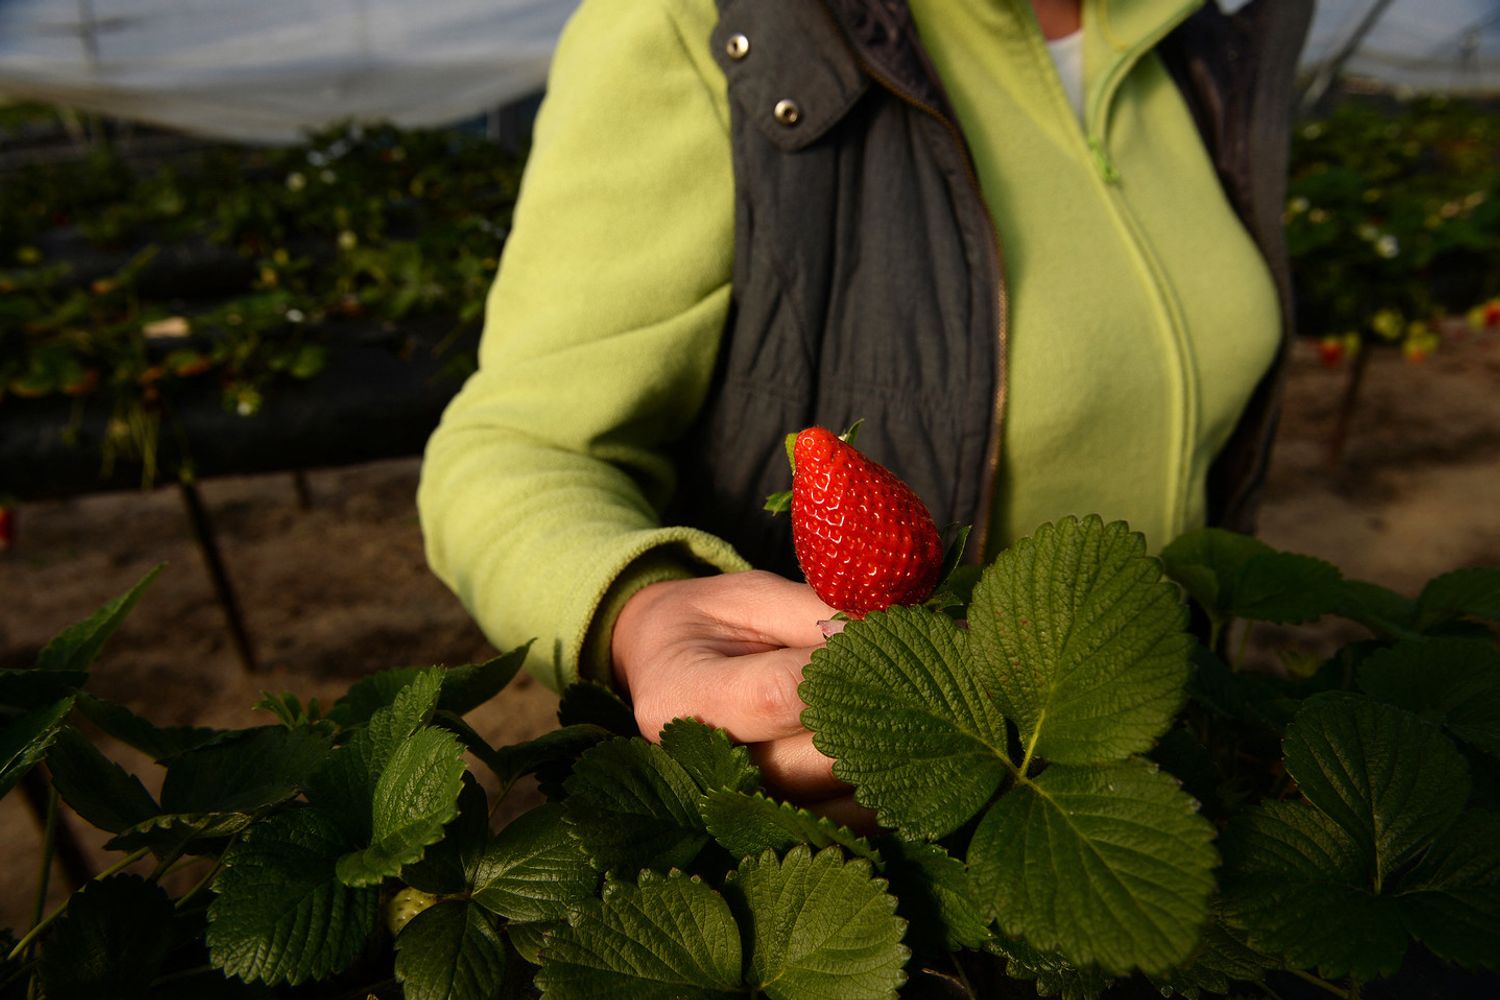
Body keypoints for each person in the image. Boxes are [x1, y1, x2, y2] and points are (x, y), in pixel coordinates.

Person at [417, 0, 1313, 817]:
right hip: (891, 817)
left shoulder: (1188, 43)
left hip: (1155, 795)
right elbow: (515, 444)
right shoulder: (720, 25)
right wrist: (637, 614)